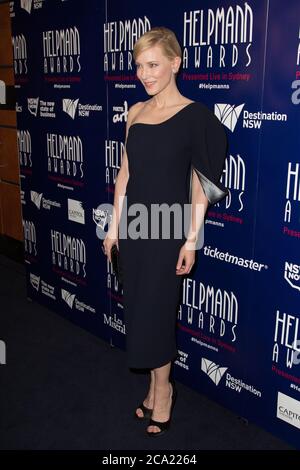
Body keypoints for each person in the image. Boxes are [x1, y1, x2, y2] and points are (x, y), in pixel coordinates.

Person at [102, 26, 228, 436]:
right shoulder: (134, 112)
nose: (145, 73)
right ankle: (157, 389)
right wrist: (113, 227)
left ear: (176, 63)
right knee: (140, 310)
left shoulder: (197, 117)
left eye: (153, 64)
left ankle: (163, 392)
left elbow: (200, 187)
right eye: (139, 65)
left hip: (167, 227)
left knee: (156, 313)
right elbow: (124, 174)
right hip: (134, 226)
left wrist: (190, 239)